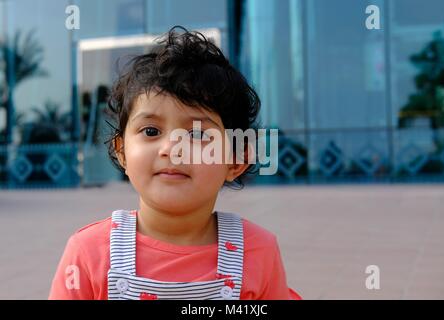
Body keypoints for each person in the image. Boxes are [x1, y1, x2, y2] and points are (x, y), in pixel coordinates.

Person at [48, 26, 301, 300]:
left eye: (196, 134)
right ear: (121, 151)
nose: (171, 148)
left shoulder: (258, 250)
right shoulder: (89, 253)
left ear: (235, 160)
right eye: (151, 132)